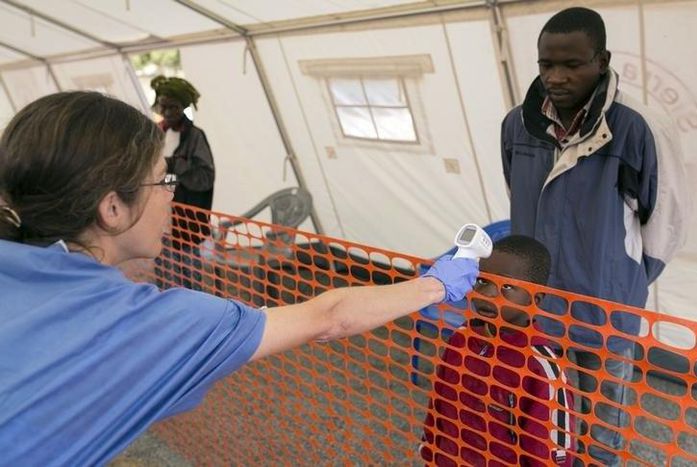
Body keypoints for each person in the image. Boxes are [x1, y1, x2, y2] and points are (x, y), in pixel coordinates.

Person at [0, 91, 479, 465]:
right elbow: (328, 316)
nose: (172, 196)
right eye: (163, 180)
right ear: (111, 207)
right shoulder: (154, 322)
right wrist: (436, 284)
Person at [500, 7, 689, 465]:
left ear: (601, 60)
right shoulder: (517, 126)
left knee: (603, 425)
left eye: (572, 64)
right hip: (539, 305)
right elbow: (517, 195)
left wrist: (625, 281)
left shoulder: (637, 127)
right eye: (547, 65)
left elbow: (666, 218)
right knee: (551, 414)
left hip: (606, 307)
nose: (556, 77)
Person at [420, 235, 575, 467]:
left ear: (536, 298)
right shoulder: (460, 339)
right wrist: (430, 451)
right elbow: (438, 404)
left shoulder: (541, 369)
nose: (488, 294)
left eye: (508, 287)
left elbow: (552, 453)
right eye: (483, 281)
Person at [151, 75, 214, 289]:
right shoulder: (155, 133)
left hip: (184, 215)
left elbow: (206, 176)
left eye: (174, 107)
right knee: (163, 265)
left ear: (184, 107)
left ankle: (197, 310)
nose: (168, 112)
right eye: (164, 106)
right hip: (160, 211)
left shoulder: (195, 136)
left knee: (189, 268)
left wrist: (175, 165)